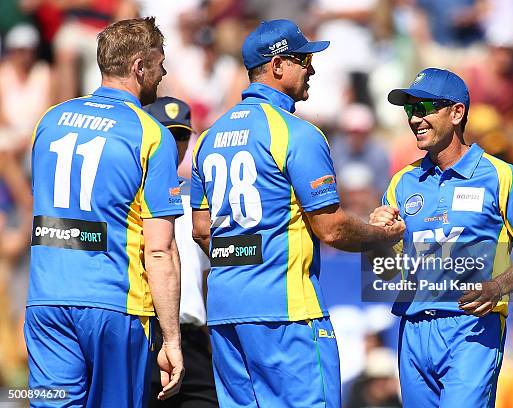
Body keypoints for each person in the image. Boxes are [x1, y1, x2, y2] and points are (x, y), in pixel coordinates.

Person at [190, 19, 405, 408]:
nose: (312, 68)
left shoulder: (209, 137)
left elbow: (202, 230)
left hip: (225, 312)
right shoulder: (297, 133)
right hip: (287, 312)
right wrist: (385, 236)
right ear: (277, 66)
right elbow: (333, 229)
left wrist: (243, 262)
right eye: (303, 59)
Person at [368, 68, 513, 407]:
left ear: (456, 113)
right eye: (410, 110)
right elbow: (385, 271)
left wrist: (499, 286)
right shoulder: (401, 182)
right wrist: (378, 238)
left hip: (472, 327)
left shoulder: (500, 175)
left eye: (425, 108)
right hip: (413, 328)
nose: (415, 119)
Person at [25, 17, 184, 407]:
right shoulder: (151, 133)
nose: (163, 73)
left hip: (47, 302)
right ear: (139, 66)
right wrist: (172, 340)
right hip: (116, 304)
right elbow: (159, 250)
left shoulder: (49, 120)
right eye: (160, 63)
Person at [144, 96, 218, 408]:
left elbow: (206, 272)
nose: (173, 144)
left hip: (193, 336)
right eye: (164, 134)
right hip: (145, 332)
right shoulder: (127, 192)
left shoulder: (197, 200)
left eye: (181, 135)